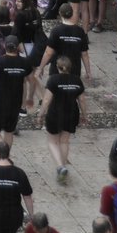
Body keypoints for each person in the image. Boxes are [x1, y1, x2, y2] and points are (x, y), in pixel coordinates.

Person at [37, 54, 85, 183]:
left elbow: (46, 100)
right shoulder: (77, 80)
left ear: (57, 67)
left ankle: (60, 167)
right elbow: (82, 100)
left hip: (55, 114)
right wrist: (85, 115)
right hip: (71, 114)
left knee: (52, 142)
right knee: (64, 141)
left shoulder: (53, 80)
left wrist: (40, 114)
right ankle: (62, 168)